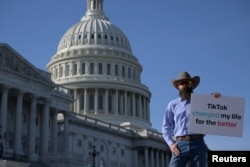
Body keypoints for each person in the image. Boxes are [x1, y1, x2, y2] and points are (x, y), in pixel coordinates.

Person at [162, 72, 220, 167]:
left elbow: (215, 112)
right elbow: (166, 126)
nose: (184, 85)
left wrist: (217, 99)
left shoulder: (201, 102)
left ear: (191, 84)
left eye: (187, 82)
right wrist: (171, 144)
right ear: (178, 86)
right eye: (182, 83)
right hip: (180, 144)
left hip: (198, 143)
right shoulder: (172, 104)